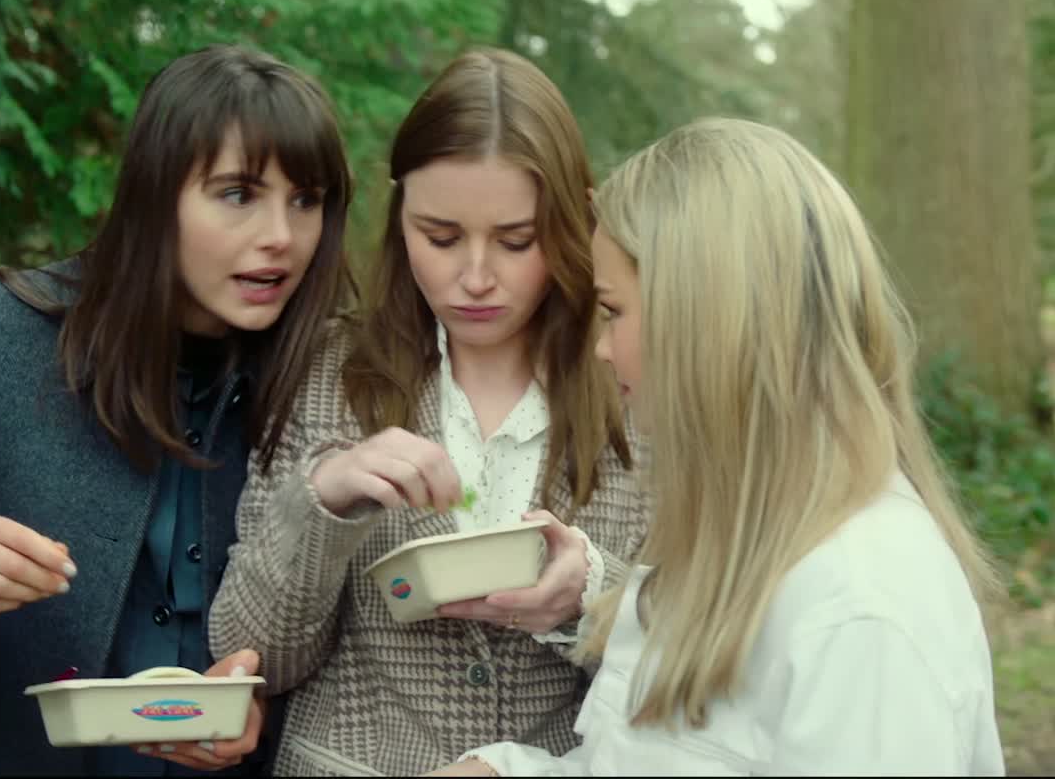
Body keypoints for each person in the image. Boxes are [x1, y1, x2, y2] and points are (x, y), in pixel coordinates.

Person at [426, 117, 1008, 776]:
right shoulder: (735, 536)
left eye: (614, 312)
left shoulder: (861, 608)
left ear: (702, 320)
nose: (602, 348)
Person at [0, 43, 355, 777]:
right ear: (155, 196)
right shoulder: (5, 330)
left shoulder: (333, 375)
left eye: (306, 200)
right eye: (239, 194)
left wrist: (266, 713)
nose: (281, 235)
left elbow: (353, 643)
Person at [207, 47, 650, 776]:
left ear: (575, 220)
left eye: (516, 241)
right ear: (399, 213)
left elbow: (703, 671)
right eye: (440, 237)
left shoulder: (636, 389)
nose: (475, 277)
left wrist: (593, 596)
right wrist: (324, 500)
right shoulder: (328, 372)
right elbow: (251, 655)